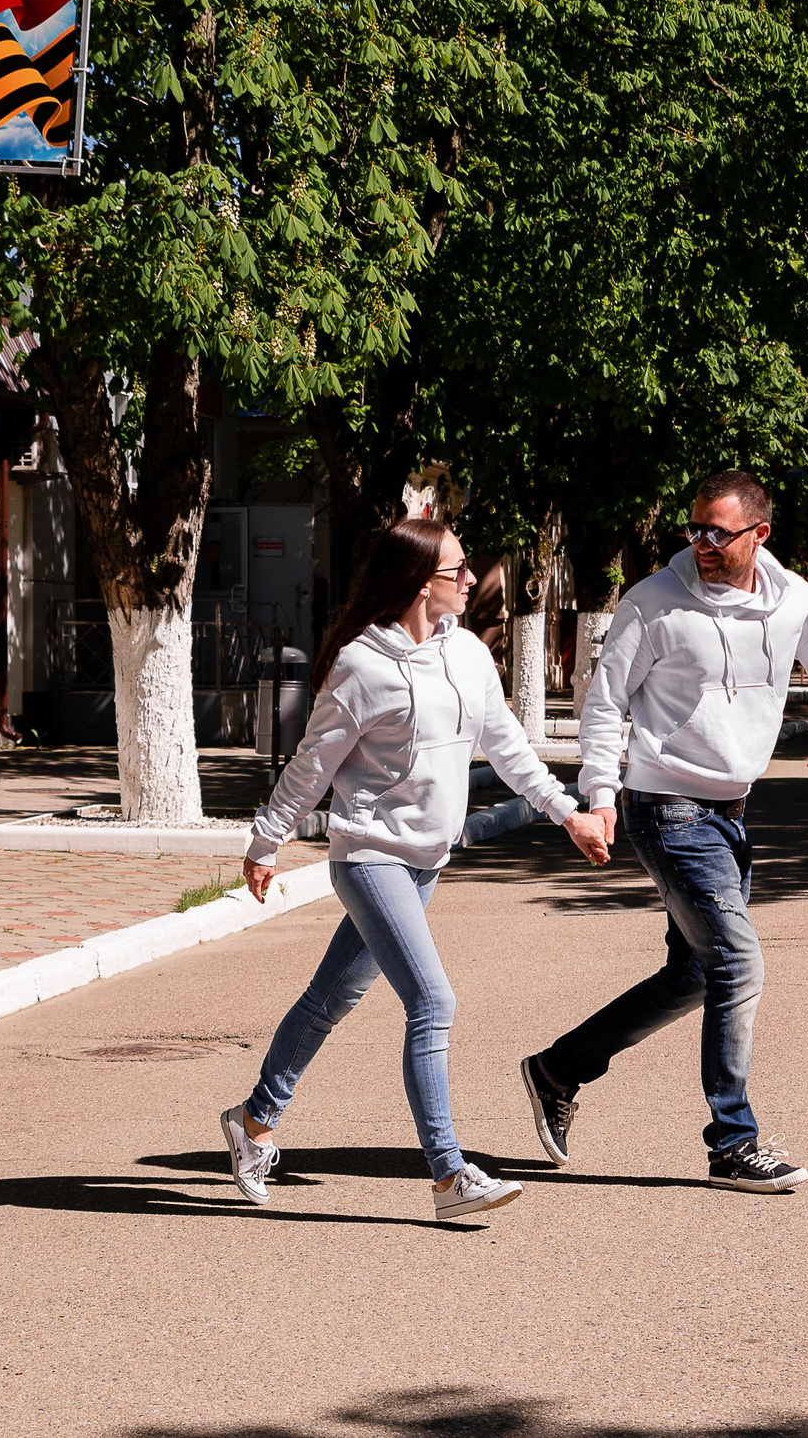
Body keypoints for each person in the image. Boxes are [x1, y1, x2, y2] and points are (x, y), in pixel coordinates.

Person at [220, 518, 615, 1222]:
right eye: (456, 570)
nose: (469, 579)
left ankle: (252, 1120)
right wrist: (266, 838)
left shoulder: (466, 653)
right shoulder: (362, 667)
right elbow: (313, 765)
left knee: (328, 1000)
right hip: (369, 854)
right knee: (433, 1002)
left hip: (427, 858)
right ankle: (447, 1174)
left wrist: (568, 812)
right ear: (417, 581)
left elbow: (509, 747)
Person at [519, 470, 808, 1193]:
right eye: (695, 529)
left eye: (720, 531)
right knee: (739, 962)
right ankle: (732, 1141)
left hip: (733, 811)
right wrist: (600, 793)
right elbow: (604, 702)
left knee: (693, 975)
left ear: (759, 534)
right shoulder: (655, 602)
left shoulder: (792, 600)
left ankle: (559, 1067)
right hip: (666, 807)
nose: (703, 544)